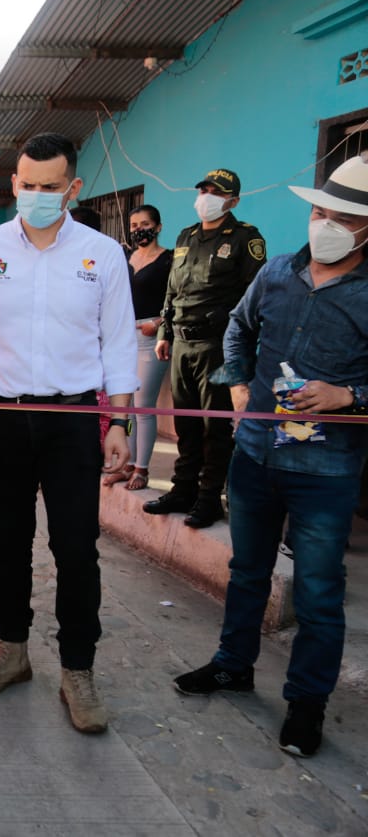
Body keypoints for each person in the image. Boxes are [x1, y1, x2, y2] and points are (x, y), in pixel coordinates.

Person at [0, 132, 138, 735]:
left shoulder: (101, 254)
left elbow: (120, 343)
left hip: (74, 421)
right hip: (0, 417)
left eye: (51, 188)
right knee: (9, 543)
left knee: (76, 548)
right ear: (14, 184)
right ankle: (11, 649)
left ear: (72, 189)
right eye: (28, 185)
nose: (37, 196)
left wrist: (120, 421)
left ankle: (78, 668)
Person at [172, 154, 368, 758]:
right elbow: (237, 329)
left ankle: (306, 704)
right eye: (320, 211)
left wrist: (348, 395)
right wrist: (236, 384)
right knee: (248, 572)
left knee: (315, 592)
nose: (325, 224)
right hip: (254, 456)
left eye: (342, 216)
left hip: (326, 471)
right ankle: (233, 664)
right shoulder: (277, 273)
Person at [146, 169, 267, 528]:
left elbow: (253, 296)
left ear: (233, 201)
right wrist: (164, 333)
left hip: (219, 346)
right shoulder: (186, 237)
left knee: (214, 427)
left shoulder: (246, 239)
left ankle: (210, 497)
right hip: (182, 342)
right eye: (203, 189)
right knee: (185, 422)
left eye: (216, 191)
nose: (207, 196)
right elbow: (172, 290)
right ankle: (182, 489)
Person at [104, 205, 173, 491]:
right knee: (126, 406)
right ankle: (126, 465)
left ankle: (142, 469)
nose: (139, 230)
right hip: (123, 336)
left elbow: (177, 298)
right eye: (133, 225)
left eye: (145, 224)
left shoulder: (169, 260)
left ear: (157, 227)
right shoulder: (124, 258)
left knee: (144, 407)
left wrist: (159, 323)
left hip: (149, 337)